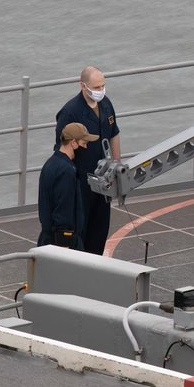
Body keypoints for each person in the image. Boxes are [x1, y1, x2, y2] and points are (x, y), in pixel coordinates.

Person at [54, 66, 120, 255]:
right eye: (97, 87)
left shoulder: (106, 104)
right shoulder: (70, 112)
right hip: (81, 183)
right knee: (79, 231)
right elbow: (61, 148)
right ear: (83, 86)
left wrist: (117, 165)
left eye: (103, 86)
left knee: (100, 230)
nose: (101, 90)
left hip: (104, 182)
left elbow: (114, 133)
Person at [37, 123, 99, 250]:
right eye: (84, 143)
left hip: (48, 239)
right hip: (62, 243)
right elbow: (63, 209)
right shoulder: (66, 171)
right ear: (73, 143)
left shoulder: (51, 163)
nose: (86, 147)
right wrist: (65, 243)